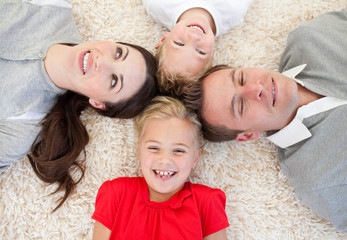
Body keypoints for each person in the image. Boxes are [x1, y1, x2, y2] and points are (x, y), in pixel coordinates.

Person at [184, 9, 347, 231]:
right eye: (241, 105)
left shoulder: (311, 38)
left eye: (241, 78)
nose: (255, 88)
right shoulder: (319, 181)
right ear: (248, 135)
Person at [0, 0, 158, 210]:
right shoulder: (54, 7)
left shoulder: (24, 123)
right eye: (118, 53)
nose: (101, 62)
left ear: (98, 103)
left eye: (113, 81)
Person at [92, 96, 229, 239]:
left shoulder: (207, 202)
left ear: (195, 158)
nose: (165, 160)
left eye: (179, 150)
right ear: (139, 151)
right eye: (154, 148)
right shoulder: (115, 194)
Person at [142, 0, 253, 97]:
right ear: (212, 54)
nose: (194, 37)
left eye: (179, 44)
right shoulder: (233, 11)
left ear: (164, 38)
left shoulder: (158, 5)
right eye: (200, 52)